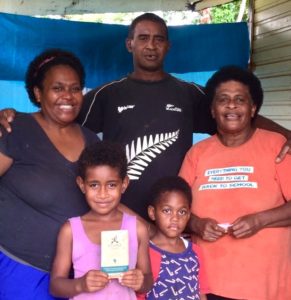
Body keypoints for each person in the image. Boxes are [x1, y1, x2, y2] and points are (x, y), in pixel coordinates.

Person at [0, 13, 291, 221]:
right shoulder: (107, 94)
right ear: (130, 44)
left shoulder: (189, 94)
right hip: (119, 215)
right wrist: (15, 117)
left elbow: (236, 118)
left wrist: (287, 136)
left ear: (168, 46)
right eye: (143, 38)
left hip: (175, 221)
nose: (150, 45)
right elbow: (59, 118)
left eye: (158, 39)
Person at [179, 66, 291, 300]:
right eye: (223, 100)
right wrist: (197, 224)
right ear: (212, 109)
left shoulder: (277, 146)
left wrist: (260, 220)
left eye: (240, 99)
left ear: (253, 108)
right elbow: (175, 209)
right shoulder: (197, 153)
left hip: (265, 286)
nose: (231, 105)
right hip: (207, 285)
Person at [0, 49, 99, 299]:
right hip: (19, 268)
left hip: (76, 275)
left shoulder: (91, 141)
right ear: (38, 93)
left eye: (75, 89)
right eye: (57, 88)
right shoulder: (15, 129)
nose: (68, 96)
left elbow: (106, 197)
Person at [50, 141, 153, 299]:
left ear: (124, 184)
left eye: (111, 185)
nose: (103, 194)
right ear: (82, 184)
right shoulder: (70, 230)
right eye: (94, 185)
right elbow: (55, 286)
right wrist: (81, 284)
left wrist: (140, 281)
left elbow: (148, 280)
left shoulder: (137, 228)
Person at [137, 176, 208, 300]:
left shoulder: (195, 251)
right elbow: (139, 295)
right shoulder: (144, 252)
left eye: (181, 212)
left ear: (188, 216)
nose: (175, 218)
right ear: (152, 213)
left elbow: (201, 292)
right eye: (167, 211)